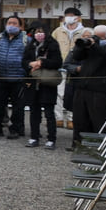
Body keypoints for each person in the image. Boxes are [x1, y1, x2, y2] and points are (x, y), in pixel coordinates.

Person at [67, 24, 106, 145]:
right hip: (82, 87)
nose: (96, 39)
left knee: (99, 121)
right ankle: (79, 146)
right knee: (80, 120)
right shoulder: (90, 47)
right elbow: (77, 56)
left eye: (100, 37)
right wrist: (82, 46)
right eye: (95, 36)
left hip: (100, 90)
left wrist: (95, 46)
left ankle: (100, 148)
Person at [21, 21, 63, 149]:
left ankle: (51, 138)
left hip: (47, 83)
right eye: (37, 32)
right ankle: (34, 136)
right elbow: (23, 61)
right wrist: (30, 64)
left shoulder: (53, 44)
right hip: (33, 82)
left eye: (41, 31)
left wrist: (41, 62)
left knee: (49, 112)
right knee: (34, 111)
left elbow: (57, 62)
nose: (39, 34)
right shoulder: (31, 45)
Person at [0, 15, 27, 139]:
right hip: (1, 76)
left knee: (18, 106)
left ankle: (16, 129)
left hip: (18, 78)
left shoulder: (25, 39)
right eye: (9, 23)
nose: (12, 25)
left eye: (15, 23)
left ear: (20, 26)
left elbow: (29, 57)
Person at [52, 7, 87, 129]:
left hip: (76, 68)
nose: (69, 17)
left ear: (78, 17)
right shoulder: (58, 31)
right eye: (67, 15)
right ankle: (59, 118)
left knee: (74, 94)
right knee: (58, 93)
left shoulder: (84, 31)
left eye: (71, 15)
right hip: (60, 67)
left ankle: (72, 119)